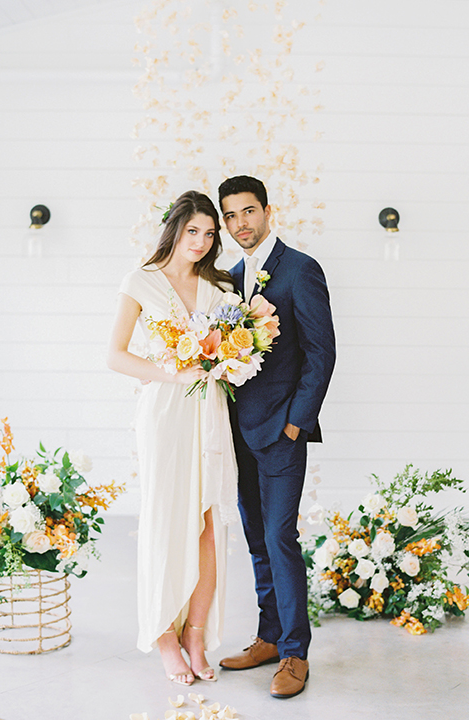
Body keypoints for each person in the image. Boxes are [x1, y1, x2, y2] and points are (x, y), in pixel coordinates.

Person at [107, 191, 238, 686]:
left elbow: (233, 353)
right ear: (175, 230)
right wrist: (170, 373)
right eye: (193, 232)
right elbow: (116, 356)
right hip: (165, 413)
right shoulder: (140, 280)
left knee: (208, 526)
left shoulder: (221, 288)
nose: (201, 242)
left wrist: (234, 361)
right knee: (166, 522)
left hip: (210, 412)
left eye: (210, 234)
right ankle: (164, 635)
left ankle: (196, 635)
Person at [217, 175, 336, 699]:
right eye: (230, 216)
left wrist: (296, 422)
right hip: (237, 433)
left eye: (248, 212)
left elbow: (321, 353)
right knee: (255, 539)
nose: (240, 223)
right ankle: (267, 636)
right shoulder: (229, 278)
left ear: (268, 211)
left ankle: (294, 653)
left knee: (280, 540)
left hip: (281, 433)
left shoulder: (300, 270)